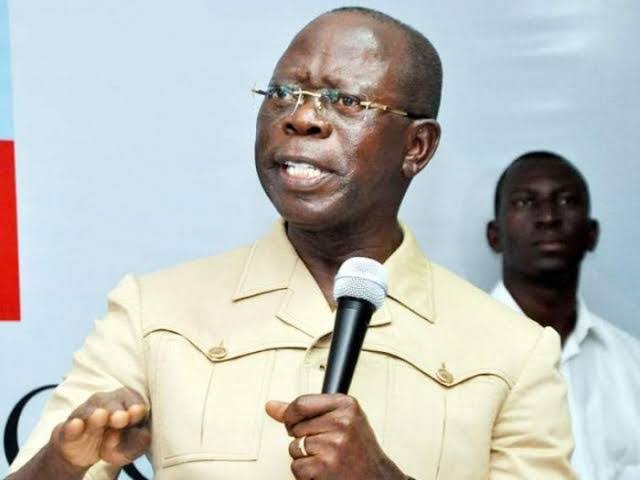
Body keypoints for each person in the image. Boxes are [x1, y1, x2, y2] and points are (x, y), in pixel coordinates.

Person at [7, 8, 575, 480]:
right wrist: (65, 460)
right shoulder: (152, 312)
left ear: (416, 147)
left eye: (347, 102)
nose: (302, 117)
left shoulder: (515, 351)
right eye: (283, 93)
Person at [487, 151, 640, 480]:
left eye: (567, 201)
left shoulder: (632, 362)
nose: (548, 217)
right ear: (494, 235)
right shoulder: (454, 352)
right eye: (525, 202)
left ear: (592, 233)